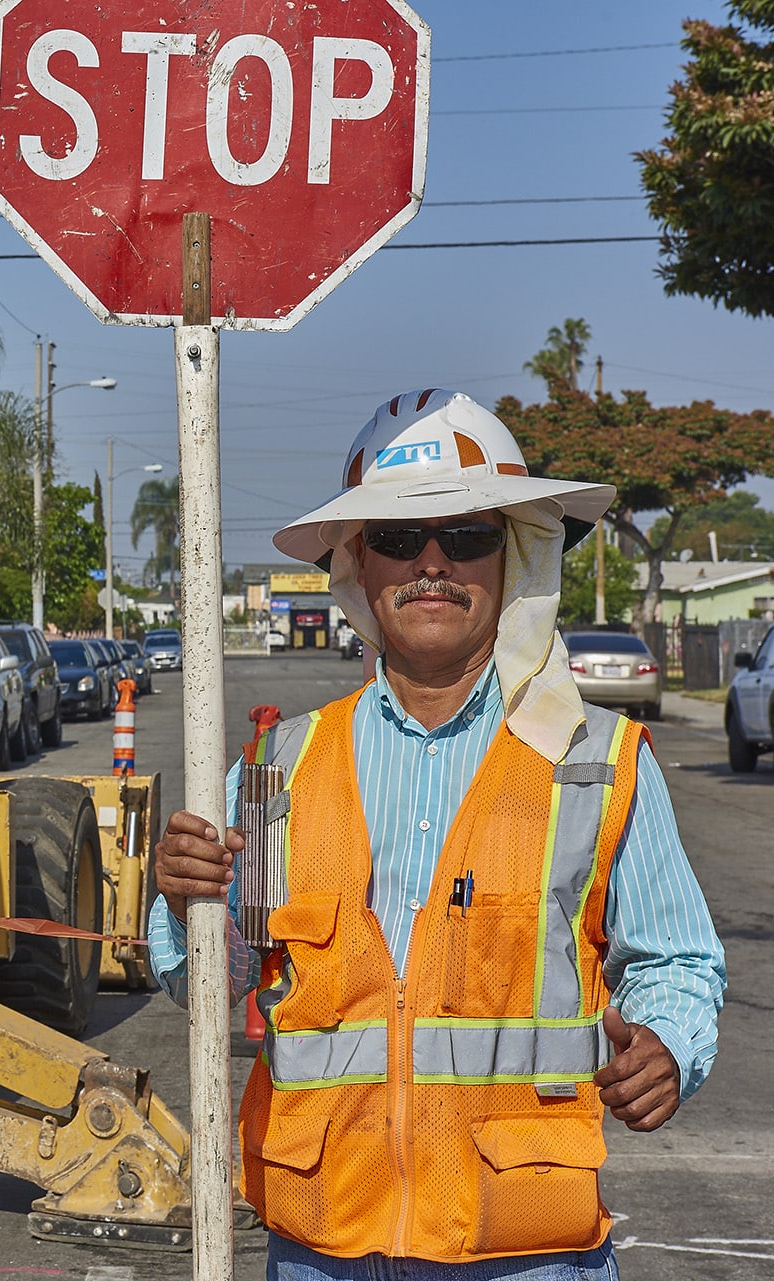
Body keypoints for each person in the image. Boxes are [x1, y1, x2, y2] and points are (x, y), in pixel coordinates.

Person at [150, 389, 725, 1279]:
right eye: (397, 537)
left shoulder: (596, 760)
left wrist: (667, 1047)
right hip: (322, 1247)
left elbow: (678, 963)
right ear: (355, 563)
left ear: (514, 556)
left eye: (465, 536)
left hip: (525, 1251)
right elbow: (213, 979)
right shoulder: (277, 768)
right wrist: (186, 895)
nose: (431, 563)